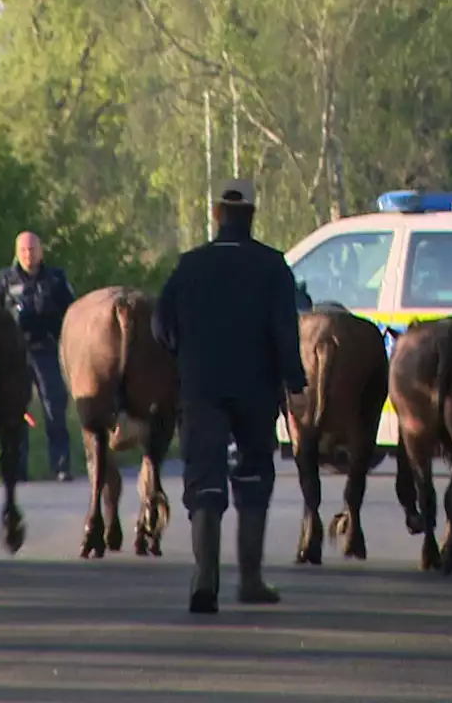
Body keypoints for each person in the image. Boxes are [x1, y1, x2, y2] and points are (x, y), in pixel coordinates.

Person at [151, 178, 308, 614]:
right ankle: (252, 580)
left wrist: (186, 354)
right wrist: (294, 383)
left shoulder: (190, 266)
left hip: (200, 388)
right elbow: (284, 330)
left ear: (217, 215)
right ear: (252, 216)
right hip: (256, 390)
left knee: (204, 476)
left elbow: (160, 326)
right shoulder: (272, 266)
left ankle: (205, 579)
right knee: (254, 474)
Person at [0, 231, 77, 482]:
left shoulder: (56, 279)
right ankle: (17, 469)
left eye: (33, 249)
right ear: (17, 253)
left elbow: (71, 314)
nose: (29, 255)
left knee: (54, 407)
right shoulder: (5, 280)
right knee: (14, 410)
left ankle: (60, 466)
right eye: (24, 250)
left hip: (46, 351)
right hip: (14, 354)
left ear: (41, 251)